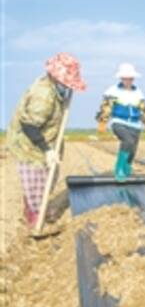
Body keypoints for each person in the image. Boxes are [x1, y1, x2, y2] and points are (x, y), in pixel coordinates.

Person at [7, 53, 86, 228]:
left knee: (48, 177)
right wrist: (47, 150)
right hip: (29, 144)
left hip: (44, 140)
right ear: (56, 77)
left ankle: (35, 208)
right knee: (36, 180)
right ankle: (35, 215)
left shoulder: (54, 89)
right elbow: (29, 125)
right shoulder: (43, 96)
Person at [95, 63, 145, 181]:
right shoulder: (112, 91)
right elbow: (106, 107)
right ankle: (119, 169)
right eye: (126, 78)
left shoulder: (138, 93)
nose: (129, 80)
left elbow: (143, 108)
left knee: (132, 149)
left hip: (135, 125)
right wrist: (103, 122)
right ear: (121, 78)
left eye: (131, 78)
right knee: (128, 141)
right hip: (119, 122)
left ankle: (127, 167)